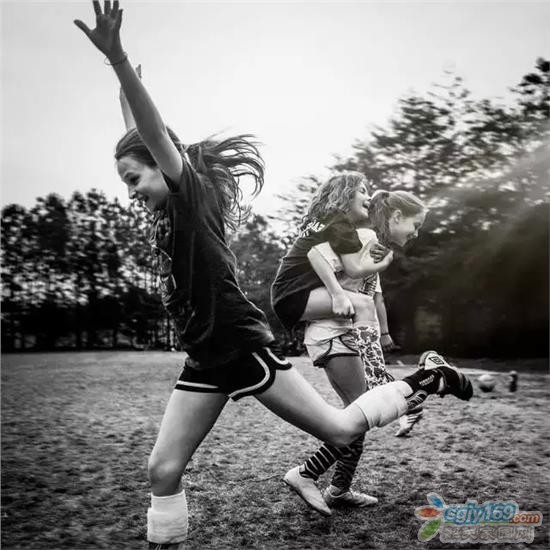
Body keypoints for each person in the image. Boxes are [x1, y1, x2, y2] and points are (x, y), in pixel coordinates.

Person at [74, 3, 473, 548]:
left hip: (238, 345)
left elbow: (150, 134)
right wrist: (122, 89)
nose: (131, 191)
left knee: (339, 428)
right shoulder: (167, 204)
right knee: (161, 470)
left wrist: (119, 62)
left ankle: (430, 378)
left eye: (133, 178)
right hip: (205, 355)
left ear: (163, 164)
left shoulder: (190, 197)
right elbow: (140, 135)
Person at [273, 189, 426, 514]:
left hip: (348, 336)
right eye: (415, 225)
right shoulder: (361, 237)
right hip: (332, 335)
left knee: (359, 416)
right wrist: (338, 295)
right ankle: (306, 473)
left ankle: (339, 489)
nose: (416, 233)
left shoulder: (375, 245)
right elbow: (317, 255)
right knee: (361, 415)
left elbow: (370, 296)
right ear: (397, 216)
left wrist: (379, 334)